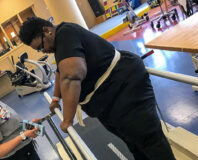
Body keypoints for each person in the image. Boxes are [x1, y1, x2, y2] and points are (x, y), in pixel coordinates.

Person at [19, 17, 175, 160]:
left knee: (149, 140)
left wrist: (67, 119)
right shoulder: (60, 44)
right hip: (107, 99)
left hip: (124, 87)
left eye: (41, 46)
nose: (43, 51)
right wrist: (55, 98)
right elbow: (61, 70)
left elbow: (72, 75)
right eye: (39, 50)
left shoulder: (65, 33)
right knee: (133, 142)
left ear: (47, 30)